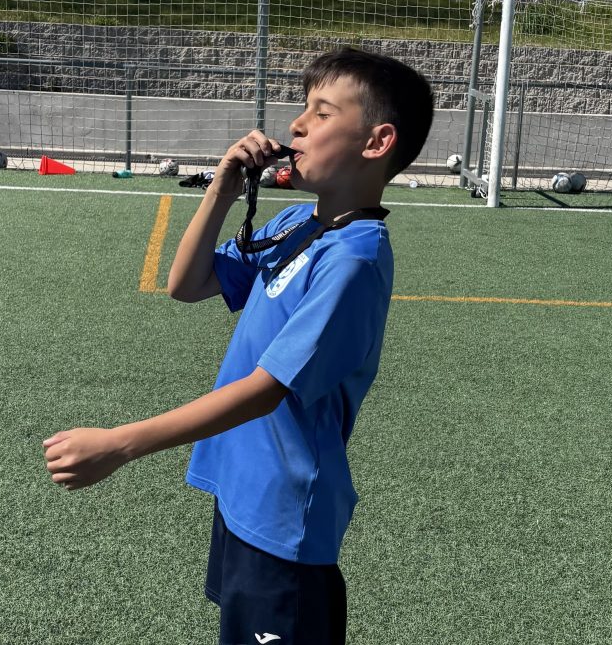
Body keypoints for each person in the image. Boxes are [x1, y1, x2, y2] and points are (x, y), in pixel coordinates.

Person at [43, 47, 434, 644]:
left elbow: (264, 391)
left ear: (377, 143)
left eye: (322, 113)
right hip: (243, 491)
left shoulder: (354, 259)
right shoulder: (298, 223)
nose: (297, 125)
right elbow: (187, 285)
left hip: (284, 515)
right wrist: (223, 189)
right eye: (303, 110)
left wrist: (120, 444)